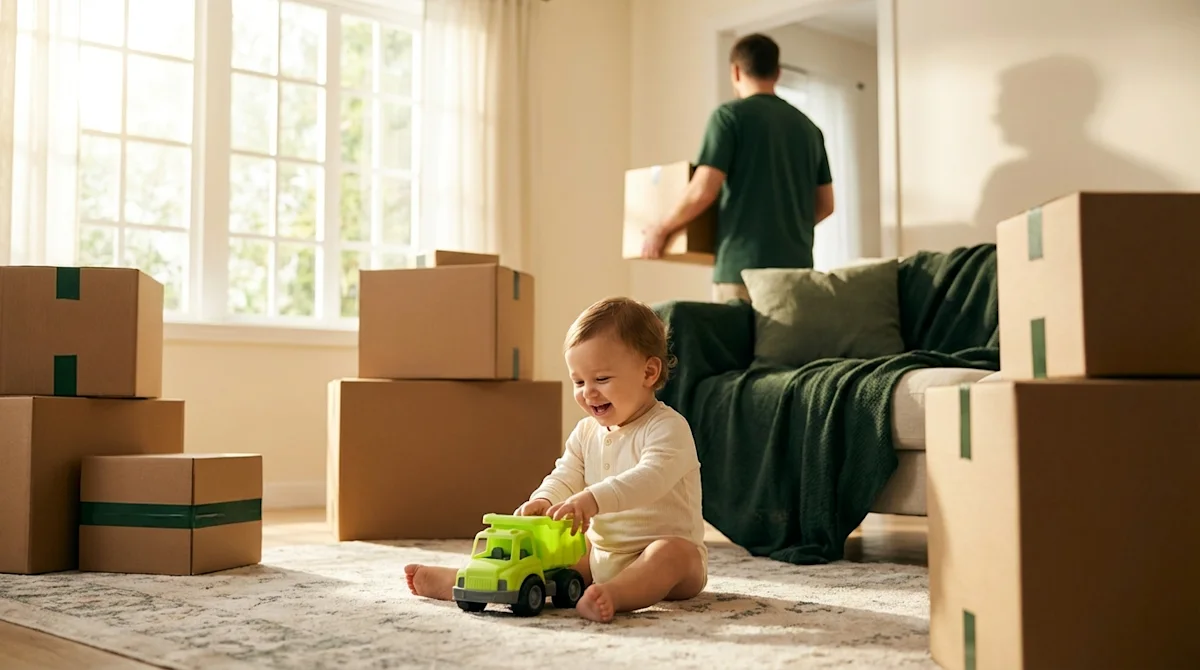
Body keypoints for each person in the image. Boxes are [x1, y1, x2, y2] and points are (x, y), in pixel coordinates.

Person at [404, 297, 707, 623]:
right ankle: (467, 580)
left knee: (671, 554)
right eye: (579, 381)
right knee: (548, 555)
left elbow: (650, 478)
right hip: (599, 554)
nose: (588, 392)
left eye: (601, 379)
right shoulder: (585, 432)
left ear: (648, 372)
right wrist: (545, 499)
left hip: (671, 561)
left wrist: (592, 499)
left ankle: (615, 595)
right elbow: (566, 472)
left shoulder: (668, 428)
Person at [641, 33, 836, 303]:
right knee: (790, 347)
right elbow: (826, 204)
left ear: (735, 71)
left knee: (736, 345)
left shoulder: (729, 118)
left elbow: (703, 190)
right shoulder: (809, 129)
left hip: (742, 272)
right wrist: (785, 226)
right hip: (797, 272)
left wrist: (660, 229)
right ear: (777, 73)